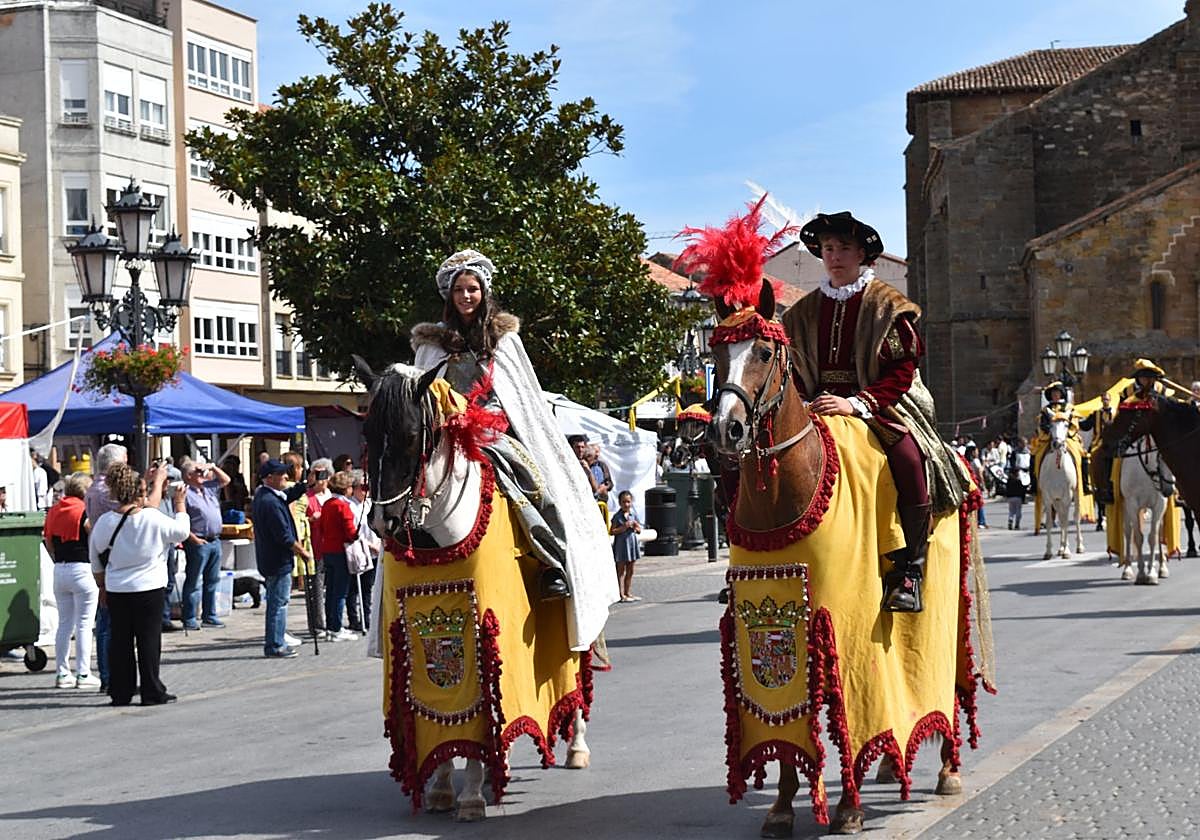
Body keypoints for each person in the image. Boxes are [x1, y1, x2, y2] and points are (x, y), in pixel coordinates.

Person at [780, 211, 970, 612]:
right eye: (829, 248)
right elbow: (792, 370)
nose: (835, 256)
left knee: (909, 457)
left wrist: (856, 403)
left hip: (881, 402)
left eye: (844, 248)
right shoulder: (801, 312)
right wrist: (803, 402)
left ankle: (910, 569)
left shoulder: (888, 306)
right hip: (815, 404)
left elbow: (902, 369)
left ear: (863, 254)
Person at [410, 248, 615, 613]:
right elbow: (421, 395)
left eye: (472, 288)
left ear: (483, 292)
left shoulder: (504, 341)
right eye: (459, 290)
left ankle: (553, 561)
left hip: (494, 431)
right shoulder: (432, 345)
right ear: (449, 296)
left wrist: (487, 417)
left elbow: (522, 398)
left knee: (526, 478)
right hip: (445, 430)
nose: (466, 296)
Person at [89, 463, 189, 706]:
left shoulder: (104, 522)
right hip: (149, 587)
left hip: (117, 588)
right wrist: (179, 505)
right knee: (148, 641)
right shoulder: (152, 518)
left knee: (120, 641)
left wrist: (102, 586)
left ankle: (121, 691)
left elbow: (95, 558)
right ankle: (151, 689)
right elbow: (182, 532)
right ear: (139, 493)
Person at [85, 443, 164, 692]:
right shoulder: (106, 492)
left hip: (108, 560)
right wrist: (158, 484)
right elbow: (143, 510)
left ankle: (116, 681)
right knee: (118, 631)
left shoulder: (94, 488)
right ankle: (113, 679)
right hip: (119, 565)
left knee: (113, 628)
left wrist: (146, 481)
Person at [44, 473, 100, 689]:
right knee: (84, 625)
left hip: (60, 569)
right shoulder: (84, 511)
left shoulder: (55, 510)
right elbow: (93, 536)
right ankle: (84, 674)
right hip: (82, 568)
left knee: (64, 624)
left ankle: (62, 673)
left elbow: (49, 542)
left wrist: (58, 559)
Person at [251, 459, 311, 658]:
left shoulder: (267, 495)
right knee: (279, 603)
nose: (286, 477)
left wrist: (306, 485)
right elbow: (283, 536)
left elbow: (288, 495)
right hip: (277, 560)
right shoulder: (270, 502)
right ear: (269, 478)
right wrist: (302, 551)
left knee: (277, 602)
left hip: (271, 559)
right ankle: (275, 644)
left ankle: (276, 640)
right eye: (281, 474)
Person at [178, 456, 231, 630]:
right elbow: (180, 518)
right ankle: (190, 617)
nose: (201, 473)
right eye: (196, 471)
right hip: (198, 541)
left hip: (214, 540)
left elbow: (225, 480)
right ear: (187, 476)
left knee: (212, 579)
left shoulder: (208, 488)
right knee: (193, 581)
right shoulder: (185, 492)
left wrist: (213, 467)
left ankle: (210, 614)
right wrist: (192, 538)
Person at [318, 470, 359, 641]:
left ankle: (331, 627)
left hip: (328, 550)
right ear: (346, 488)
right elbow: (350, 532)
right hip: (341, 551)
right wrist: (356, 535)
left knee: (331, 591)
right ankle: (336, 628)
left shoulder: (327, 504)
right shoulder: (344, 506)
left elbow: (321, 527)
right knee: (340, 591)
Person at [344, 469, 380, 632]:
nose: (366, 490)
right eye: (363, 487)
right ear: (355, 488)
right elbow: (353, 531)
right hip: (358, 552)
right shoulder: (350, 505)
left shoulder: (370, 504)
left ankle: (367, 616)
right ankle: (354, 619)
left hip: (373, 552)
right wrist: (369, 545)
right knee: (353, 588)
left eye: (368, 487)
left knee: (367, 588)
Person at [304, 458, 332, 638]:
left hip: (332, 546)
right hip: (315, 546)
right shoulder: (307, 497)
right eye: (318, 475)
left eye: (324, 475)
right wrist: (311, 519)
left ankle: (331, 621)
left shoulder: (331, 495)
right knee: (315, 587)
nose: (321, 480)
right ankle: (317, 624)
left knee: (332, 587)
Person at [609, 490, 642, 602]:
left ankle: (628, 592)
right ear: (619, 503)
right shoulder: (617, 516)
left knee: (630, 570)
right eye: (624, 502)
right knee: (620, 570)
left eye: (628, 502)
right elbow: (612, 531)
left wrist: (636, 527)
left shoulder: (633, 515)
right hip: (621, 546)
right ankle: (620, 594)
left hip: (632, 545)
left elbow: (638, 530)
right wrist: (623, 527)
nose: (626, 504)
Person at [964, 445, 988, 528]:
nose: (978, 453)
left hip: (971, 483)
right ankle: (981, 521)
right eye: (976, 451)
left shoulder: (967, 461)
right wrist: (983, 483)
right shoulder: (976, 461)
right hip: (976, 482)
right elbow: (980, 472)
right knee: (979, 502)